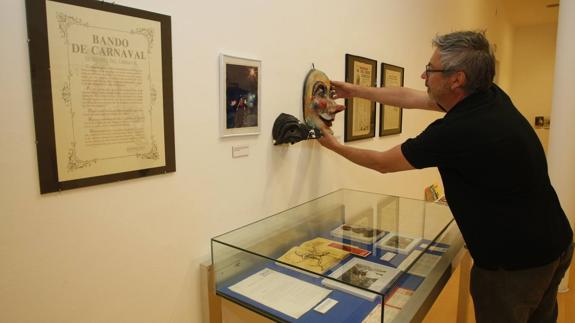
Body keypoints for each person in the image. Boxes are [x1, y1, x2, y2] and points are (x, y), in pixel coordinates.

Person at [318, 31, 573, 323]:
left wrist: (332, 144)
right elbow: (411, 98)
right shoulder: (488, 96)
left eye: (430, 70)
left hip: (516, 266)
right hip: (554, 243)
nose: (423, 76)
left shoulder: (460, 130)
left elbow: (383, 163)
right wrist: (355, 90)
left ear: (457, 79)